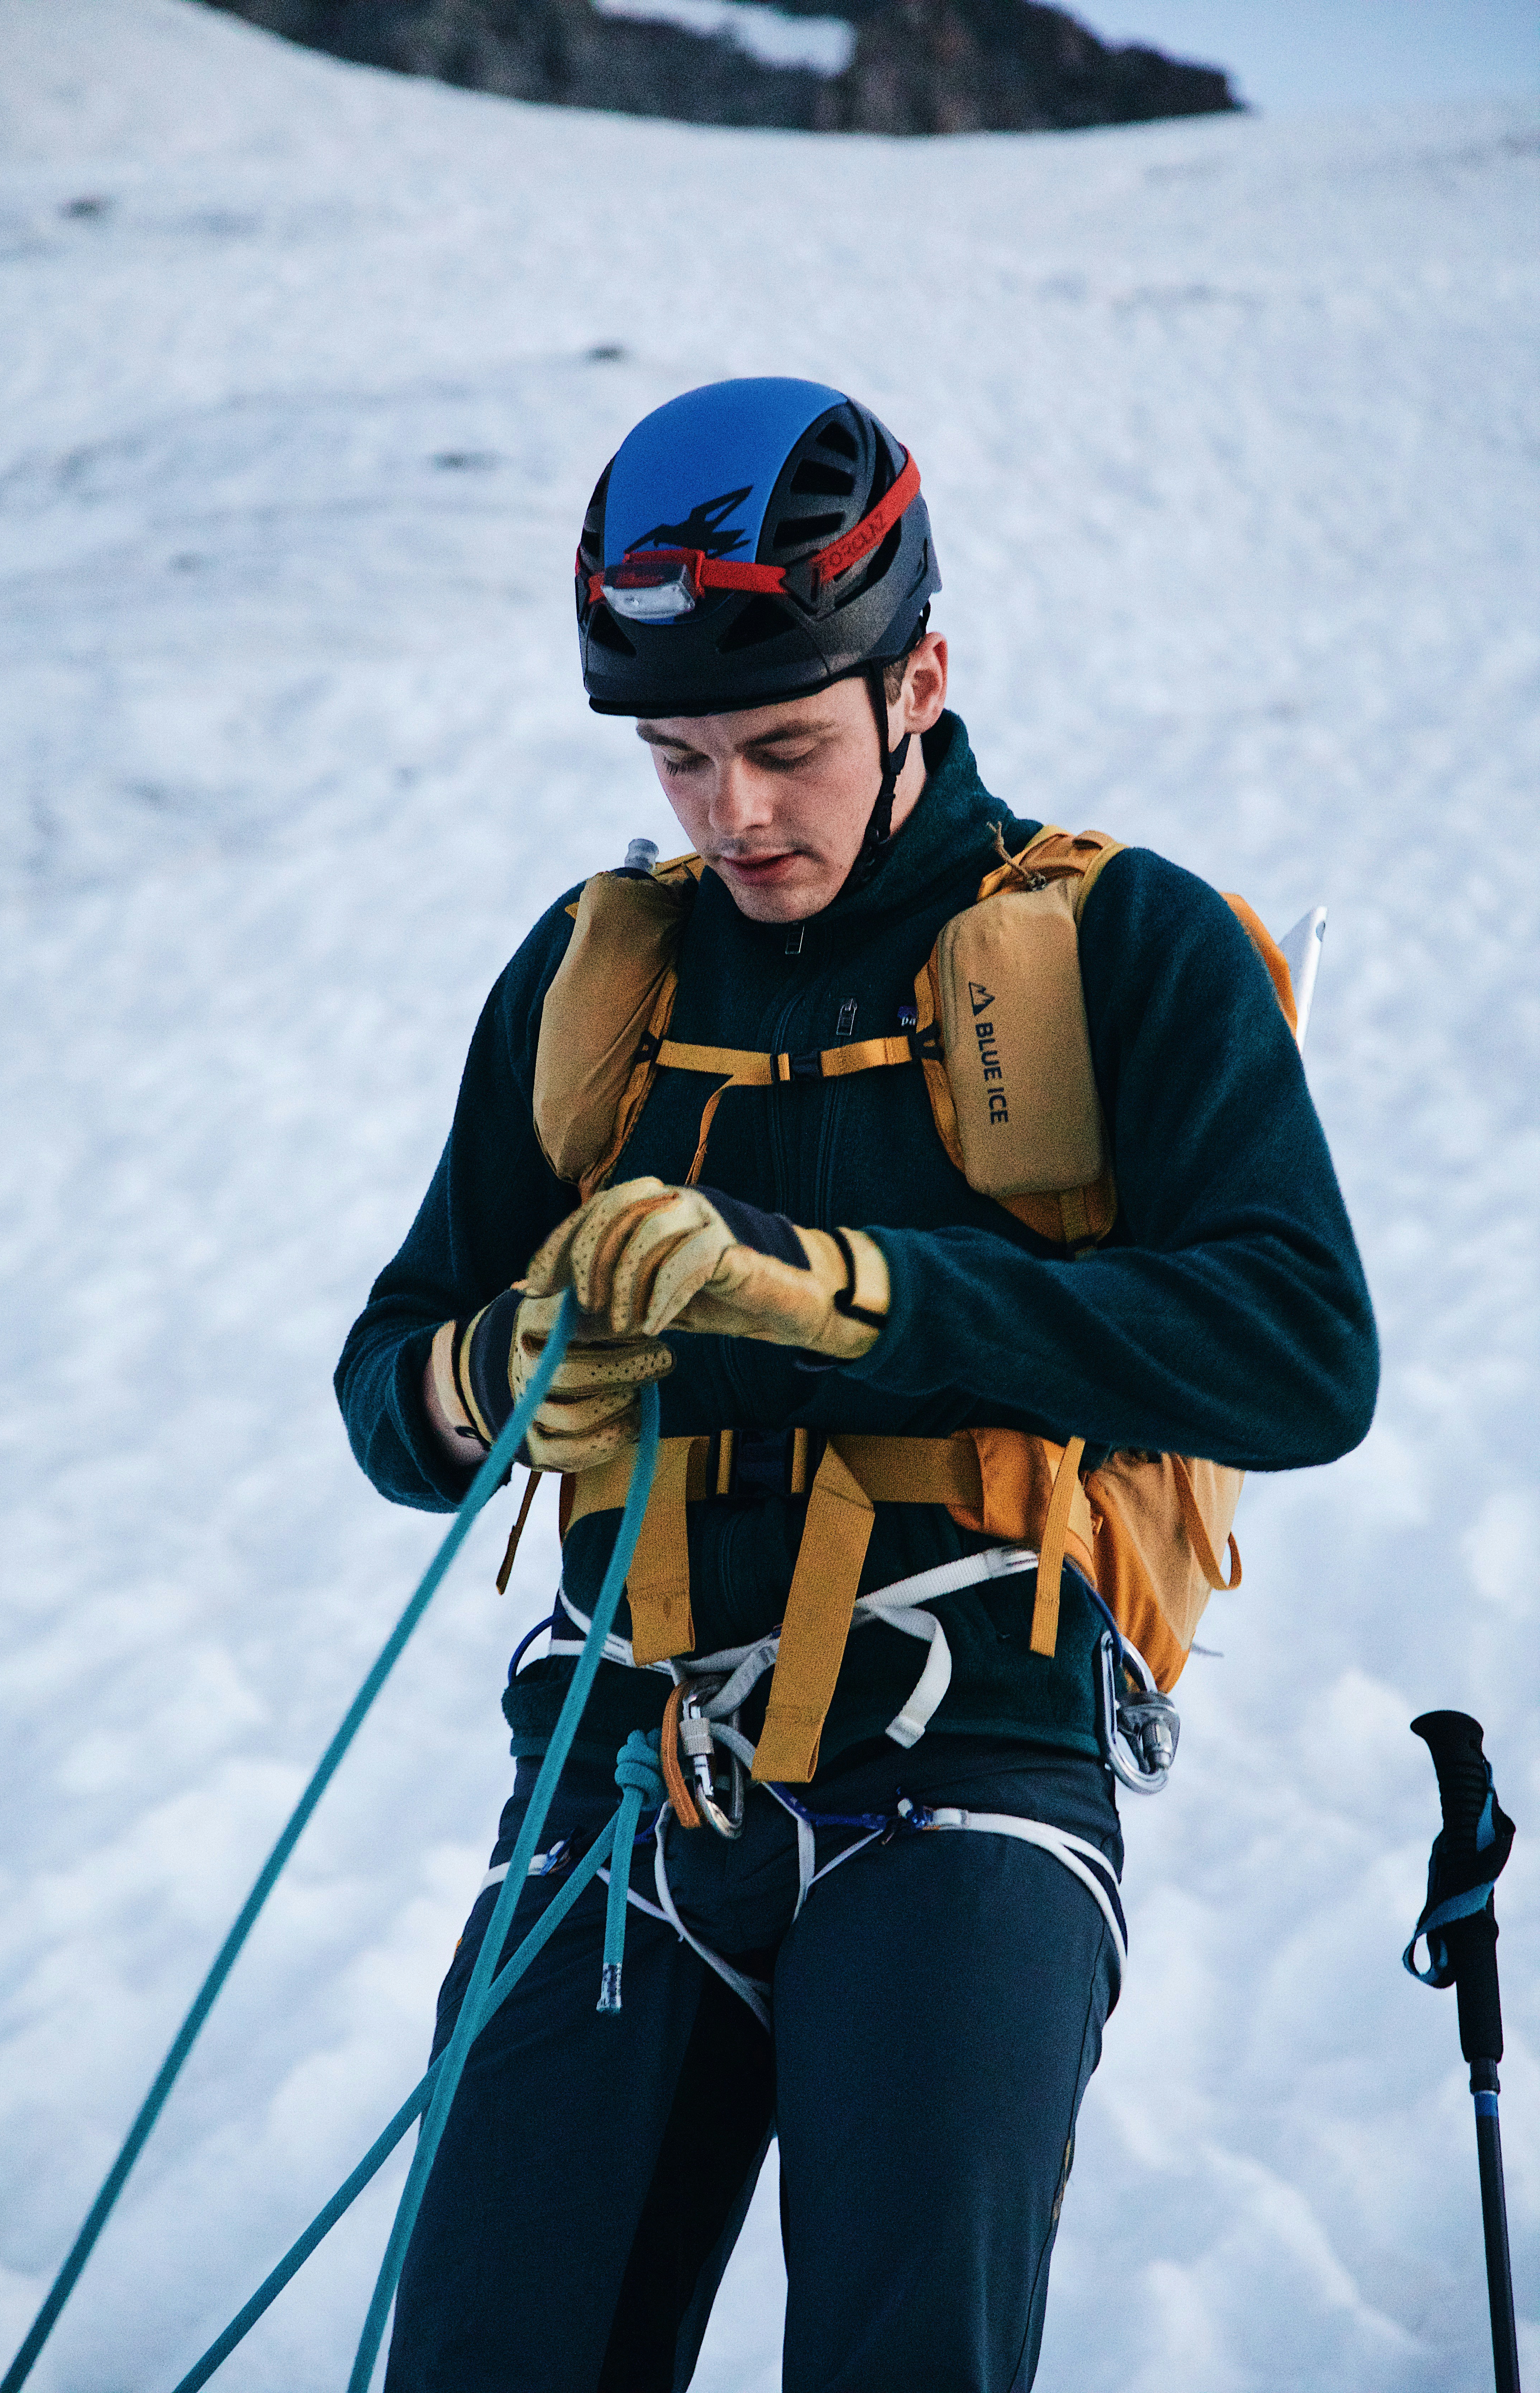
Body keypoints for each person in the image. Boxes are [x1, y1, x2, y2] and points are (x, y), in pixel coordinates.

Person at [336, 376, 1378, 2392]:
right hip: (629, 1772)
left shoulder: (1123, 944)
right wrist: (493, 1379)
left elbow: (1300, 1351)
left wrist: (854, 1296)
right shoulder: (600, 978)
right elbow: (392, 1381)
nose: (732, 815)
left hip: (972, 1763)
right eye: (680, 757)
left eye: (787, 748)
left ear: (922, 681)